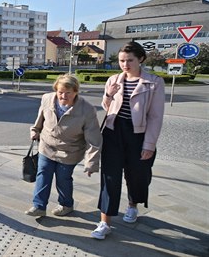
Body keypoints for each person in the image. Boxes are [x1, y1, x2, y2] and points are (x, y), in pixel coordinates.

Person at [91, 41, 165, 240]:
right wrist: (109, 94)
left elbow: (155, 117)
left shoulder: (154, 82)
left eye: (129, 60)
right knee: (110, 177)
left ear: (140, 59)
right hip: (113, 133)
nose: (125, 64)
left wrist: (149, 145)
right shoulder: (113, 79)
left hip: (139, 135)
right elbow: (107, 108)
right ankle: (105, 222)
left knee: (137, 175)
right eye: (122, 60)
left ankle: (133, 205)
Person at [25, 74, 102, 217]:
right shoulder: (47, 98)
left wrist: (91, 162)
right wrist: (35, 130)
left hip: (70, 151)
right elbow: (40, 118)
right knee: (43, 174)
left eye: (68, 93)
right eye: (60, 92)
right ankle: (39, 206)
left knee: (63, 178)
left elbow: (94, 138)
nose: (63, 96)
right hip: (47, 146)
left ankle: (66, 204)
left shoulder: (87, 109)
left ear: (76, 92)